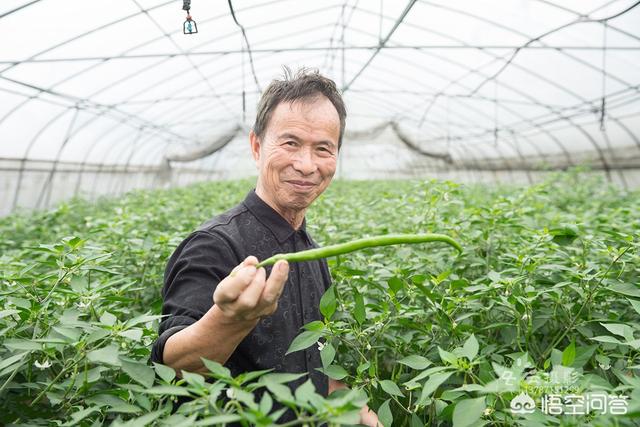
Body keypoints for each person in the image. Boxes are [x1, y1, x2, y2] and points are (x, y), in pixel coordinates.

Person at [151, 68, 379, 426]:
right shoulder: (213, 245)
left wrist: (365, 415)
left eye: (323, 149)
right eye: (290, 143)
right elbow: (175, 369)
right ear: (257, 146)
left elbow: (318, 365)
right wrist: (229, 321)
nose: (306, 165)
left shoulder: (311, 253)